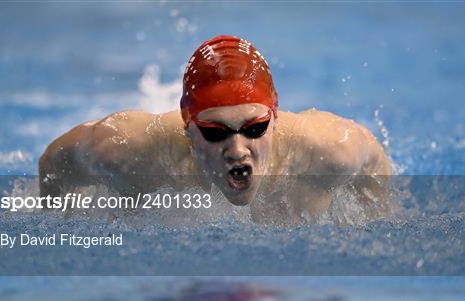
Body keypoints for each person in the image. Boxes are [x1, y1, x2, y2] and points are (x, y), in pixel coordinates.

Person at [39, 35, 391, 225]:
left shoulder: (329, 151)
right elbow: (53, 162)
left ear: (275, 112)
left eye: (254, 128)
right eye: (214, 131)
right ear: (186, 122)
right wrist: (58, 223)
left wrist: (367, 219)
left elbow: (375, 165)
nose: (237, 150)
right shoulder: (124, 150)